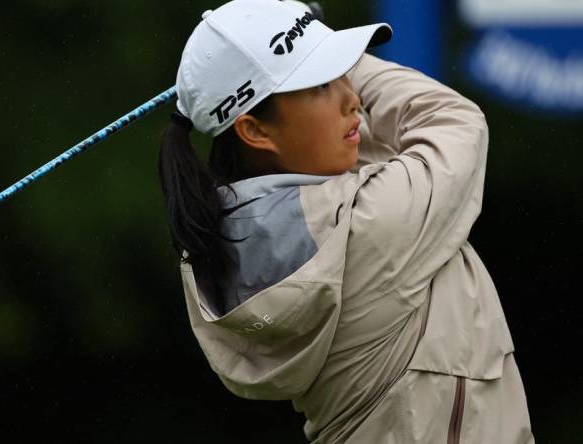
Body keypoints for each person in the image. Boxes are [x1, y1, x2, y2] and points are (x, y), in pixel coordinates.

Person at [157, 0, 534, 442]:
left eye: (343, 75)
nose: (352, 97)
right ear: (255, 131)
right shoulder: (372, 222)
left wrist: (305, 47)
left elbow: (363, 147)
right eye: (320, 84)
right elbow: (452, 121)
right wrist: (332, 44)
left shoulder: (229, 236)